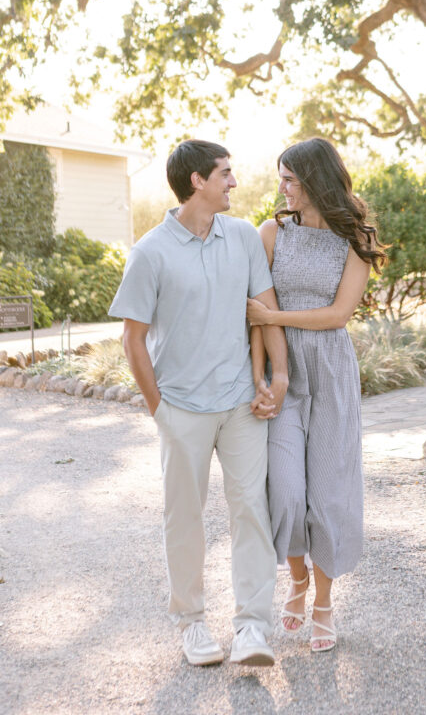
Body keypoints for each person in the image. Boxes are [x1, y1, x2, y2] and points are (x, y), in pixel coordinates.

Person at [109, 140, 289, 668]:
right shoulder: (150, 252)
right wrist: (158, 409)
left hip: (239, 404)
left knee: (252, 510)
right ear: (197, 181)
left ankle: (253, 627)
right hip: (182, 409)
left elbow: (266, 312)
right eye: (225, 173)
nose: (234, 182)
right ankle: (191, 625)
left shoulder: (243, 237)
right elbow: (132, 339)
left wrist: (277, 381)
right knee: (183, 518)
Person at [247, 137, 387, 653]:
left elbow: (337, 316)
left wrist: (272, 316)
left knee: (328, 492)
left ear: (314, 180)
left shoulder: (353, 241)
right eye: (280, 177)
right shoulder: (270, 233)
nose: (280, 187)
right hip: (284, 371)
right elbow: (254, 311)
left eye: (289, 178)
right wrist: (261, 375)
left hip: (329, 370)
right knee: (284, 491)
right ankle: (297, 578)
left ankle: (324, 601)